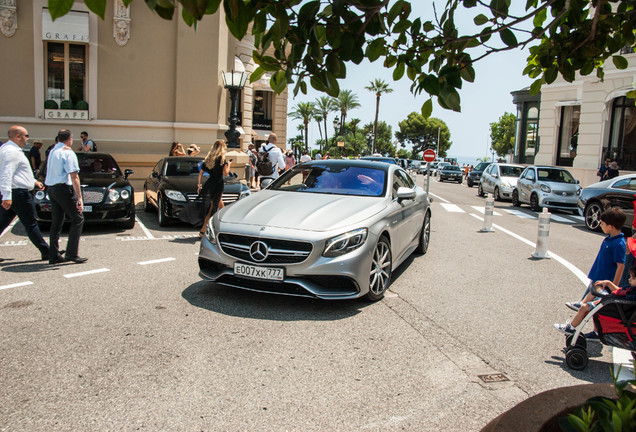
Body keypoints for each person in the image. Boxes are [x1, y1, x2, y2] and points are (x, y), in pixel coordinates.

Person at [0, 125, 51, 261]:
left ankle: (46, 251)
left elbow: (18, 172)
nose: (27, 139)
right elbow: (6, 174)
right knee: (31, 223)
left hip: (14, 193)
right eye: (26, 136)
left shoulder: (9, 149)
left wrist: (33, 181)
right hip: (18, 194)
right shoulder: (11, 151)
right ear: (18, 136)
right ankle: (47, 251)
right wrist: (6, 196)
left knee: (2, 223)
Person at [565, 207, 626, 311]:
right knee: (590, 296)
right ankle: (581, 303)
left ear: (610, 226)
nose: (601, 226)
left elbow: (621, 265)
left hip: (605, 280)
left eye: (602, 224)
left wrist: (613, 285)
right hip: (598, 275)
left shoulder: (618, 243)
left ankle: (582, 308)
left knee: (597, 307)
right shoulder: (609, 238)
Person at [554, 264, 636, 340]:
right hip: (615, 305)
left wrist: (604, 300)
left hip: (615, 308)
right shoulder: (632, 289)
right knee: (597, 288)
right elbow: (620, 291)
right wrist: (608, 283)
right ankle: (595, 329)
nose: (629, 279)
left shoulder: (633, 294)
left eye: (632, 278)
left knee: (585, 308)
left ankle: (570, 327)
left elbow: (622, 297)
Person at [44, 129, 86, 264]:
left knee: (57, 222)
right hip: (63, 189)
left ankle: (53, 254)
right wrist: (79, 197)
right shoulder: (68, 152)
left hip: (52, 189)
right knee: (78, 218)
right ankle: (71, 253)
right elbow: (74, 176)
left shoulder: (52, 151)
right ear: (70, 139)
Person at [197, 140, 230, 238]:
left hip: (210, 183)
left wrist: (199, 185)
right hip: (218, 184)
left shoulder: (208, 159)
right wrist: (229, 165)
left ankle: (226, 225)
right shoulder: (222, 159)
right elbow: (225, 173)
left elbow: (200, 173)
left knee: (218, 204)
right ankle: (203, 231)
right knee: (213, 208)